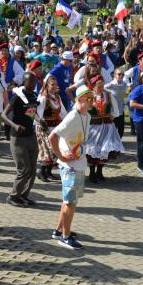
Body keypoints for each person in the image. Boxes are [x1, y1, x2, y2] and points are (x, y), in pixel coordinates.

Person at [48, 85, 93, 250]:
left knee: (68, 201)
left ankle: (59, 231)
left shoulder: (86, 115)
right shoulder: (72, 117)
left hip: (79, 163)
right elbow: (52, 136)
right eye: (89, 99)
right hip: (70, 167)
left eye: (92, 98)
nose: (92, 102)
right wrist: (60, 156)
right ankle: (65, 237)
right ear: (79, 99)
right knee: (70, 202)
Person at [2, 72, 40, 207]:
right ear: (24, 82)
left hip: (31, 135)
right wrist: (14, 125)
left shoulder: (34, 96)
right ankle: (13, 196)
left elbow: (32, 113)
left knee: (33, 170)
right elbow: (3, 115)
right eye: (30, 81)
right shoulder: (17, 97)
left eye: (34, 81)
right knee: (24, 169)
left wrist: (40, 121)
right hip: (18, 138)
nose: (33, 84)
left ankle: (23, 195)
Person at [85, 75, 124, 183]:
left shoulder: (108, 95)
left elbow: (116, 110)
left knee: (104, 149)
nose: (101, 88)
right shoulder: (89, 96)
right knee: (92, 149)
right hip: (93, 127)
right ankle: (92, 172)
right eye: (98, 86)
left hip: (107, 127)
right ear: (93, 86)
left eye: (102, 86)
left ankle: (100, 171)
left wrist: (111, 117)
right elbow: (82, 110)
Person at [36, 75, 67, 182]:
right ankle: (41, 172)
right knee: (48, 150)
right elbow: (38, 114)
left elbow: (63, 112)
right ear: (47, 85)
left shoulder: (57, 97)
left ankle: (48, 172)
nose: (55, 86)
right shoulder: (44, 97)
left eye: (56, 84)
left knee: (54, 151)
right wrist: (41, 126)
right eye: (52, 84)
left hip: (55, 128)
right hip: (45, 128)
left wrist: (67, 122)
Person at [105, 68, 127, 139]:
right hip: (112, 111)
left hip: (120, 110)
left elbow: (122, 96)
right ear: (114, 75)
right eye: (119, 74)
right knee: (112, 129)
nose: (121, 76)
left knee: (121, 130)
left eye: (122, 74)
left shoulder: (124, 84)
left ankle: (118, 143)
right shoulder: (110, 85)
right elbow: (101, 89)